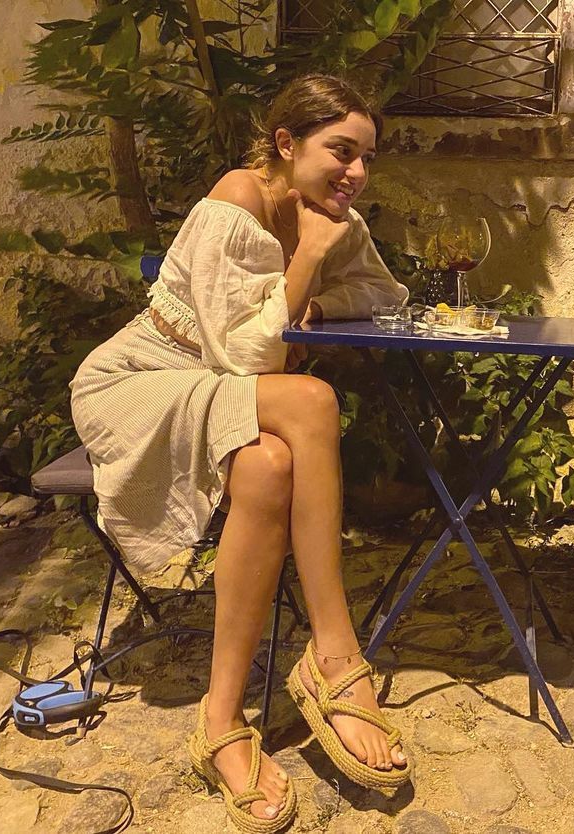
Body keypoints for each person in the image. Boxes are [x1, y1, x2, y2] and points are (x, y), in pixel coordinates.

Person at [70, 74, 411, 831]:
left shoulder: (334, 216)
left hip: (215, 386)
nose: (356, 172)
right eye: (342, 151)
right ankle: (334, 654)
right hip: (142, 380)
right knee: (312, 400)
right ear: (286, 143)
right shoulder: (236, 200)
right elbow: (249, 359)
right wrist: (306, 259)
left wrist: (318, 296)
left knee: (268, 466)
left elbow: (386, 296)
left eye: (366, 157)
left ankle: (219, 720)